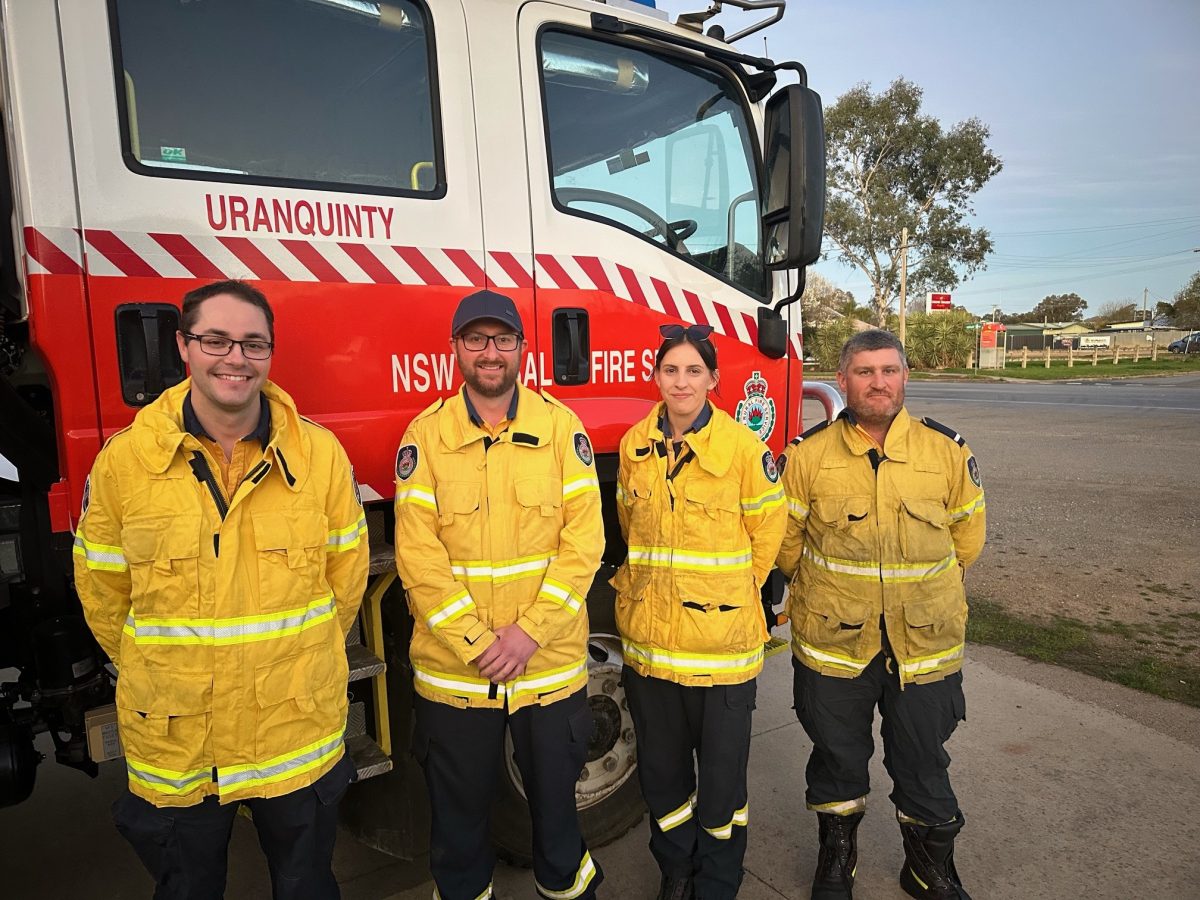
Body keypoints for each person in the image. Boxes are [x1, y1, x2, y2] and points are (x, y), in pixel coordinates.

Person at [73, 280, 369, 899]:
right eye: (216, 340)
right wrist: (161, 668)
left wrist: (303, 660)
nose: (235, 358)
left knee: (308, 885)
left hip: (295, 736)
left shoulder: (319, 456)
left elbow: (346, 582)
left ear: (269, 354)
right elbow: (103, 594)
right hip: (181, 745)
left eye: (253, 344)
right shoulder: (124, 463)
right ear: (184, 346)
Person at [393, 289, 604, 900]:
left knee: (561, 832)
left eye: (503, 339)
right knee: (458, 841)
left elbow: (583, 543)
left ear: (521, 349)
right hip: (459, 677)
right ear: (456, 349)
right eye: (477, 340)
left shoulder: (561, 428)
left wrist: (530, 632)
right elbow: (418, 556)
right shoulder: (425, 436)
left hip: (548, 669)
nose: (491, 352)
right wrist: (478, 643)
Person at [776, 329, 986, 900]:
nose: (877, 382)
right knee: (837, 762)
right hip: (835, 644)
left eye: (888, 370)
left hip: (924, 646)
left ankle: (928, 869)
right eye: (864, 372)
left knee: (923, 762)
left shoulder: (947, 451)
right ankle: (836, 860)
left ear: (904, 377)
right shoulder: (808, 455)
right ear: (841, 381)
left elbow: (968, 540)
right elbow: (785, 545)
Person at [611, 323, 787, 900]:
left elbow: (766, 542)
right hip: (650, 654)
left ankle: (716, 882)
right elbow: (629, 531)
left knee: (720, 789)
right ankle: (676, 872)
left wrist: (731, 599)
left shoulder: (744, 450)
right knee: (662, 782)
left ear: (713, 380)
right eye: (670, 370)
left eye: (693, 371)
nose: (681, 381)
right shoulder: (636, 445)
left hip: (722, 653)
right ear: (655, 376)